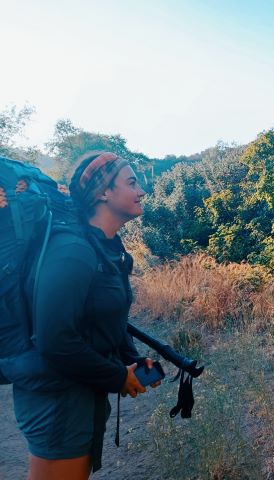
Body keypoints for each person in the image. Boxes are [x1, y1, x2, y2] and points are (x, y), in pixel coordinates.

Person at [12, 151, 159, 479]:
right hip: (56, 399)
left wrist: (129, 360)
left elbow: (103, 317)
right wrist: (117, 377)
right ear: (103, 193)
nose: (141, 191)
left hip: (78, 392)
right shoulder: (72, 251)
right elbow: (54, 340)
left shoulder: (105, 248)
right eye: (132, 182)